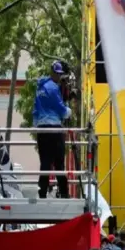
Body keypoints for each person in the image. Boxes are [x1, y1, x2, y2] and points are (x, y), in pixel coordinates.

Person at [32, 60, 72, 199]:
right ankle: (64, 193)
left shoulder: (40, 87)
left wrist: (36, 126)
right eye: (58, 74)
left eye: (59, 74)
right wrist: (69, 111)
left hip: (42, 129)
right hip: (54, 128)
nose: (58, 76)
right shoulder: (53, 88)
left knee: (45, 161)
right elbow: (61, 110)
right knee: (59, 162)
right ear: (53, 73)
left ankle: (42, 192)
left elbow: (35, 110)